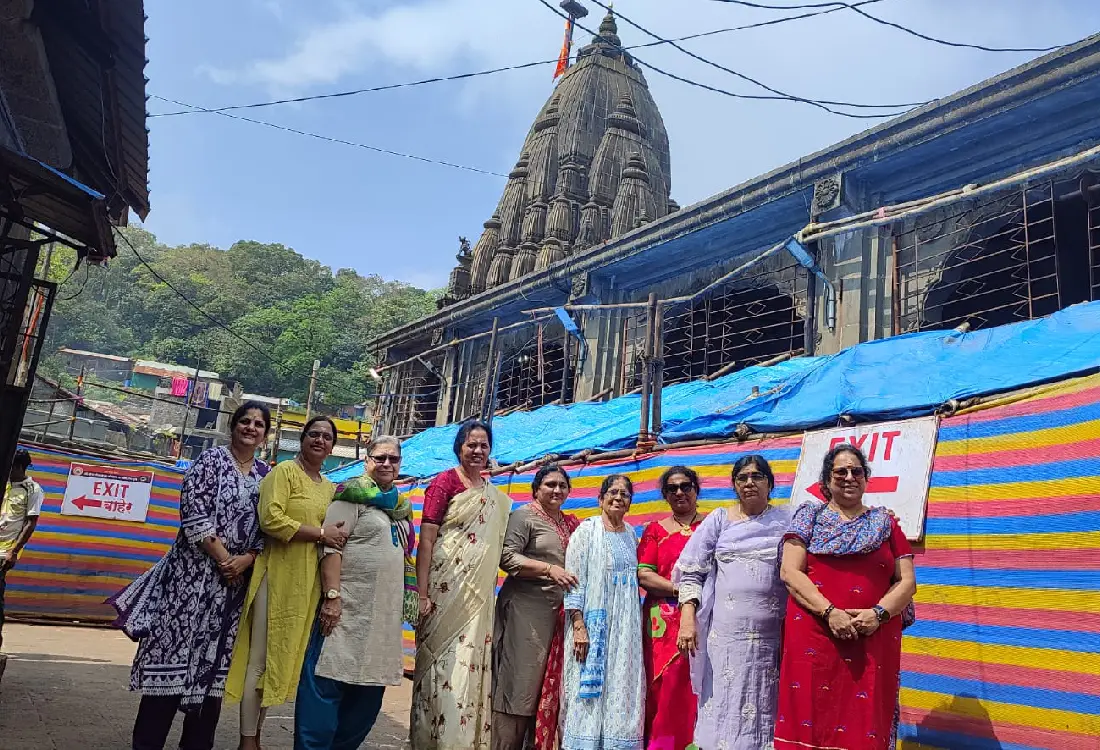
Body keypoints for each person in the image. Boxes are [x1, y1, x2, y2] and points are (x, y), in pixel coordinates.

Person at [109, 403, 271, 750]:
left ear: (265, 435)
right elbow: (194, 513)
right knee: (169, 665)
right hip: (188, 583)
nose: (251, 428)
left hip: (230, 593)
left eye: (258, 424)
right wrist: (226, 560)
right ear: (233, 426)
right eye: (245, 421)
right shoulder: (210, 461)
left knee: (213, 673)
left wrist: (247, 559)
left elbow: (266, 527)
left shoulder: (265, 476)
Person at [775, 444, 917, 750]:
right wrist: (830, 613)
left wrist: (878, 614)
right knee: (810, 715)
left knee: (864, 722)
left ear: (866, 479)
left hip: (872, 638)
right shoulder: (809, 519)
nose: (849, 477)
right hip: (815, 635)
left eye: (857, 471)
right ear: (827, 480)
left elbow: (906, 582)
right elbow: (790, 572)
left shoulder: (885, 523)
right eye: (840, 471)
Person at [226, 416, 348, 750]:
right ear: (302, 439)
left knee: (281, 659)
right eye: (314, 434)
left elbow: (337, 535)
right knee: (260, 657)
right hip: (276, 574)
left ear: (332, 447)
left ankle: (257, 734)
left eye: (326, 437)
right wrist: (321, 533)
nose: (319, 440)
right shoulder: (283, 473)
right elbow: (271, 520)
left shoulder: (330, 488)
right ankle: (247, 741)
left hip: (307, 583)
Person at [294, 435, 415, 750]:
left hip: (384, 621)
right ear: (367, 461)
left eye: (393, 459)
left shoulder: (401, 507)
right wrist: (332, 598)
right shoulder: (350, 497)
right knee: (324, 693)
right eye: (380, 458)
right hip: (345, 614)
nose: (386, 464)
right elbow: (331, 549)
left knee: (365, 706)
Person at [674, 455, 790, 750]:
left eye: (757, 476)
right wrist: (687, 620)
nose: (749, 482)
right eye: (742, 477)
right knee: (725, 701)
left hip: (774, 638)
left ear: (770, 484)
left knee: (767, 701)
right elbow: (691, 572)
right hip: (726, 638)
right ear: (735, 485)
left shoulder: (788, 519)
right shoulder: (719, 520)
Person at [410, 420, 512, 750]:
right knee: (440, 664)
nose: (478, 451)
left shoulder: (493, 496)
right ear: (459, 448)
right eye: (472, 445)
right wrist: (422, 593)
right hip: (444, 588)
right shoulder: (445, 482)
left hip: (477, 597)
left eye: (484, 445)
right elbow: (427, 540)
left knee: (467, 667)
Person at [492, 464, 580, 750]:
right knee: (520, 684)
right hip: (525, 611)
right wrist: (548, 569)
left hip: (557, 615)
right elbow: (507, 557)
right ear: (536, 488)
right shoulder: (524, 517)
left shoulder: (569, 522)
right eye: (550, 484)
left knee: (546, 687)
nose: (557, 490)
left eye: (562, 485)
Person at [561, 474, 645, 750]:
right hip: (592, 625)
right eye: (613, 492)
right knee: (587, 692)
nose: (619, 497)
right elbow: (574, 582)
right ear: (600, 499)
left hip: (625, 628)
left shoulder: (631, 535)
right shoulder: (586, 532)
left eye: (625, 494)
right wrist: (579, 626)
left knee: (622, 684)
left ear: (630, 503)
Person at [636, 466, 703, 750]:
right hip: (662, 622)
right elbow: (644, 575)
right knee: (664, 686)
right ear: (664, 495)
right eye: (671, 488)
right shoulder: (655, 530)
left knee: (698, 684)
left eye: (685, 486)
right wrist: (683, 590)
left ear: (696, 490)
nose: (679, 492)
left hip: (704, 616)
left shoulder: (711, 527)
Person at [0, 448, 45, 677]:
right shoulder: (5, 483)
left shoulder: (33, 489)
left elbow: (30, 523)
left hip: (4, 552)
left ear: (18, 466)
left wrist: (13, 551)